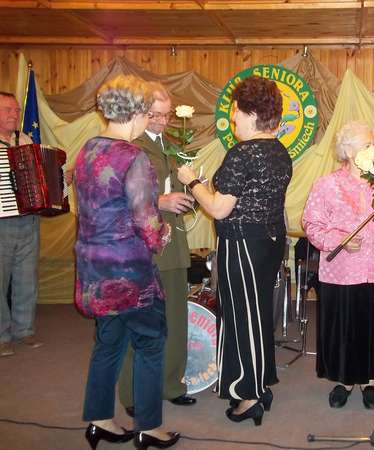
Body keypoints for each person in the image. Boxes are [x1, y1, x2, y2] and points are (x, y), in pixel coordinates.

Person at [177, 75, 292, 426]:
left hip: (242, 244)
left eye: (236, 112)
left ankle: (249, 395)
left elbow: (218, 209)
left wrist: (191, 181)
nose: (233, 119)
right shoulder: (280, 151)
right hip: (269, 243)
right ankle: (261, 385)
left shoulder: (243, 153)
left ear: (252, 115)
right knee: (258, 315)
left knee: (242, 317)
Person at [74, 75, 179, 449]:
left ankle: (100, 420)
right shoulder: (133, 157)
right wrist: (164, 234)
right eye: (148, 112)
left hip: (94, 270)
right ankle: (148, 427)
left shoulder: (87, 149)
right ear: (137, 112)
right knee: (150, 344)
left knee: (108, 343)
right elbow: (147, 223)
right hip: (130, 275)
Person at [302, 121, 374, 410]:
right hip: (341, 273)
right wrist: (338, 240)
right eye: (367, 145)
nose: (373, 150)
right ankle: (345, 380)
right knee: (345, 329)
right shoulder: (326, 185)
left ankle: (371, 381)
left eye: (373, 145)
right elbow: (311, 225)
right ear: (349, 152)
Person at [118, 83, 197, 416]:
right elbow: (117, 197)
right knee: (141, 321)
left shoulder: (174, 148)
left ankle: (170, 384)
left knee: (176, 320)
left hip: (174, 245)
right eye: (155, 115)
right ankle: (133, 393)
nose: (162, 121)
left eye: (166, 115)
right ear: (140, 112)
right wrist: (160, 201)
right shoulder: (128, 148)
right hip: (143, 247)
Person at [0, 91, 42, 358]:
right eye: (8, 110)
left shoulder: (24, 140)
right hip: (1, 220)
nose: (14, 114)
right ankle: (1, 335)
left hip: (28, 218)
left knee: (27, 277)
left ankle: (23, 329)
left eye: (16, 110)